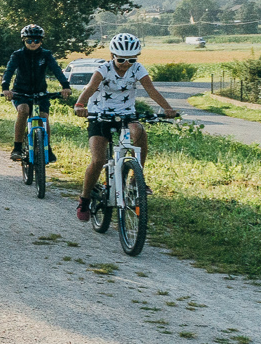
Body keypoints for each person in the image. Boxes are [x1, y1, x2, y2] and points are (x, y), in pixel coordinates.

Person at [72, 32, 181, 222]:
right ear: (112, 55)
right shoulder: (103, 69)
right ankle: (85, 198)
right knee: (98, 160)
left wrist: (168, 109)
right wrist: (80, 105)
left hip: (126, 113)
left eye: (131, 59)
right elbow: (90, 88)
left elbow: (151, 90)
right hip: (100, 113)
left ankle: (136, 179)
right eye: (121, 59)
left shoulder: (138, 69)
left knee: (139, 132)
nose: (125, 64)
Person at [0, 23, 74, 162]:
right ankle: (17, 147)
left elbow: (57, 70)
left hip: (40, 92)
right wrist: (5, 88)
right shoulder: (18, 55)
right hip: (21, 92)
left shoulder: (46, 55)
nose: (33, 43)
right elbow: (9, 71)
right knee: (23, 110)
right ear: (24, 40)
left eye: (36, 41)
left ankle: (47, 148)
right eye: (29, 40)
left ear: (41, 41)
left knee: (43, 117)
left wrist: (65, 86)